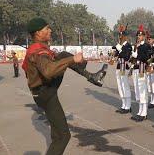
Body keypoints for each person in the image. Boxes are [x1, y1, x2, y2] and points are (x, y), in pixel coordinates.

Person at [22, 17, 107, 155]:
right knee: (63, 136)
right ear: (38, 33)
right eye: (47, 28)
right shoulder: (37, 51)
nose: (50, 30)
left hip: (43, 91)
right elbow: (49, 71)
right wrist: (72, 59)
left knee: (62, 55)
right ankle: (91, 76)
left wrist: (73, 61)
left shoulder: (38, 49)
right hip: (46, 92)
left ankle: (91, 76)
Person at [130, 25, 150, 122]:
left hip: (143, 69)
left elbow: (146, 57)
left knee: (143, 91)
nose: (139, 37)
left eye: (140, 35)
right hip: (137, 69)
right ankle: (140, 111)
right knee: (138, 90)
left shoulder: (145, 46)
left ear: (144, 37)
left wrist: (137, 54)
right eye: (138, 35)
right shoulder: (137, 45)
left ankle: (144, 112)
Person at [114, 24, 133, 114]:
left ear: (125, 36)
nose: (120, 37)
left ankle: (128, 106)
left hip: (124, 67)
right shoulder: (119, 45)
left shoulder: (128, 46)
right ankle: (123, 104)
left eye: (121, 35)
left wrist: (120, 49)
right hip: (118, 67)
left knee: (125, 86)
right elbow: (116, 55)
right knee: (120, 86)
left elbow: (126, 56)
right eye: (119, 35)